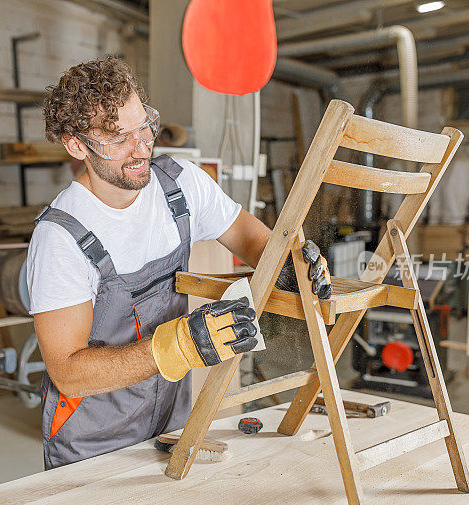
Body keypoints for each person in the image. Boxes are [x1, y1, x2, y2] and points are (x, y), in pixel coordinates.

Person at [27, 57, 331, 469]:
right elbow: (68, 373)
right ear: (76, 145)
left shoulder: (180, 185)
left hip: (171, 423)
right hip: (92, 443)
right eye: (118, 139)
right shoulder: (61, 237)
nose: (141, 149)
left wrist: (290, 262)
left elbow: (251, 237)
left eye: (143, 127)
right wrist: (181, 345)